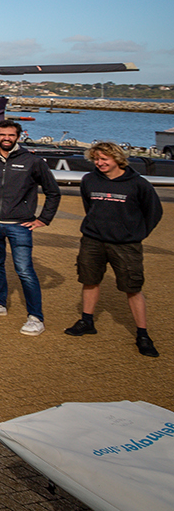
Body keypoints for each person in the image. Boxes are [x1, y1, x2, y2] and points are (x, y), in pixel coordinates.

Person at [0, 119, 61, 336]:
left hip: (20, 225)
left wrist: (44, 219)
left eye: (11, 135)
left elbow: (53, 191)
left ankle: (35, 317)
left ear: (18, 136)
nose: (6, 138)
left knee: (24, 271)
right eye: (2, 135)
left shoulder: (31, 161)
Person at [66, 142, 163, 357]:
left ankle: (142, 334)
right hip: (92, 241)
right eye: (96, 159)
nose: (100, 163)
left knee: (133, 287)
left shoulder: (138, 184)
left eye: (104, 159)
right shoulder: (89, 180)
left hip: (126, 245)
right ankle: (87, 321)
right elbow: (89, 207)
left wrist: (136, 233)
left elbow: (153, 212)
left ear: (117, 159)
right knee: (89, 281)